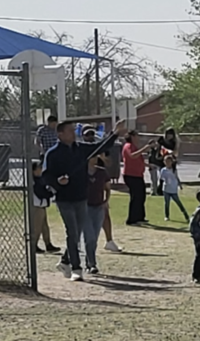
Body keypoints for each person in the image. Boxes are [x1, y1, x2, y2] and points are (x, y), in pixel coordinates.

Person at [43, 119, 124, 281]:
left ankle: (65, 261)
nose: (74, 134)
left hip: (81, 198)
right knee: (72, 232)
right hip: (64, 199)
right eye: (70, 131)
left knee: (76, 233)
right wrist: (57, 181)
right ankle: (77, 268)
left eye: (74, 131)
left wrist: (114, 134)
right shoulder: (52, 154)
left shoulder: (80, 149)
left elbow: (100, 147)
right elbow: (46, 175)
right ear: (60, 134)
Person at [82, 151, 112, 274]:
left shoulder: (101, 172)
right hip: (85, 207)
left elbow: (108, 188)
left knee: (94, 237)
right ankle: (92, 263)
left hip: (98, 207)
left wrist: (106, 201)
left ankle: (88, 262)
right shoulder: (81, 172)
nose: (94, 158)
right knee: (90, 237)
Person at [31, 161, 61, 253]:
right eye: (38, 168)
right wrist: (50, 193)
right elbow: (40, 193)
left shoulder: (40, 179)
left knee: (45, 227)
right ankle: (33, 245)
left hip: (42, 206)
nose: (40, 170)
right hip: (37, 207)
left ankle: (48, 244)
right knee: (37, 227)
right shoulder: (33, 181)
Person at [122, 132, 150, 225]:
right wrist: (145, 148)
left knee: (141, 196)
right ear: (132, 136)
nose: (138, 137)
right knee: (135, 197)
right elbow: (132, 156)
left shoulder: (134, 146)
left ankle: (140, 217)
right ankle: (131, 219)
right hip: (131, 175)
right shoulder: (128, 146)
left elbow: (137, 159)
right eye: (137, 135)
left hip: (138, 175)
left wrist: (148, 165)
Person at [161, 155, 189, 222]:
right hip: (166, 189)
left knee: (178, 202)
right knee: (166, 203)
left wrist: (180, 184)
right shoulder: (163, 170)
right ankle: (167, 216)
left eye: (169, 161)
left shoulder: (174, 170)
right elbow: (162, 178)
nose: (167, 163)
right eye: (166, 161)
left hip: (173, 189)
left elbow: (176, 177)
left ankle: (186, 216)